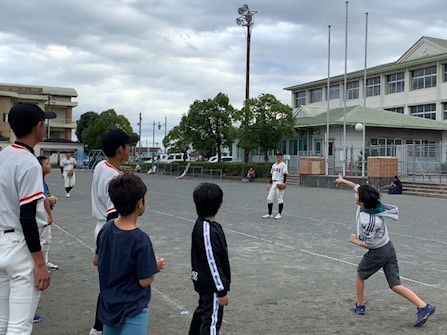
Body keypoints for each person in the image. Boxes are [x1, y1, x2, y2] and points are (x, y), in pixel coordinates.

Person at [335, 175, 435, 326]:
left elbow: (368, 243)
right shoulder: (371, 204)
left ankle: (360, 305)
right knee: (395, 284)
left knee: (360, 274)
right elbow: (356, 186)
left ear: (361, 202)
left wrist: (354, 239)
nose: (355, 194)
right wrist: (343, 181)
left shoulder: (368, 221)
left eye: (357, 195)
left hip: (378, 252)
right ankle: (423, 306)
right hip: (389, 247)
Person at [0, 103, 53, 334]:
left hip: (1, 240)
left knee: (3, 323)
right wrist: (40, 263)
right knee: (20, 327)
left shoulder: (3, 155)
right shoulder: (30, 162)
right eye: (44, 122)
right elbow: (28, 216)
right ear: (37, 126)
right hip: (21, 247)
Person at [93, 173, 165, 335]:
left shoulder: (106, 228)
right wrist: (155, 265)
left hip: (109, 305)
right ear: (140, 202)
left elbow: (96, 260)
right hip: (133, 308)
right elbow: (144, 280)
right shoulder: (141, 239)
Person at [90, 128, 140, 335]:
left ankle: (98, 327)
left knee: (109, 283)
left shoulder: (101, 165)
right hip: (111, 228)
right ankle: (101, 327)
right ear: (120, 149)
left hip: (102, 228)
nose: (129, 149)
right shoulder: (113, 176)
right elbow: (113, 214)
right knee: (116, 283)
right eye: (127, 145)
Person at [189, 183, 231, 335]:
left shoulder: (208, 225)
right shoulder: (206, 230)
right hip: (211, 286)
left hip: (206, 283)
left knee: (202, 314)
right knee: (211, 322)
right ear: (219, 205)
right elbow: (212, 262)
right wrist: (221, 290)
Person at [262, 152, 288, 219]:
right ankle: (270, 213)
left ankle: (279, 214)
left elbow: (285, 174)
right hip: (274, 182)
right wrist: (269, 183)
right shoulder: (273, 165)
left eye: (279, 156)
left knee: (279, 198)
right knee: (269, 198)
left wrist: (284, 183)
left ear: (281, 157)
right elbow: (271, 175)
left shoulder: (283, 165)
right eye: (277, 156)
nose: (278, 157)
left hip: (280, 182)